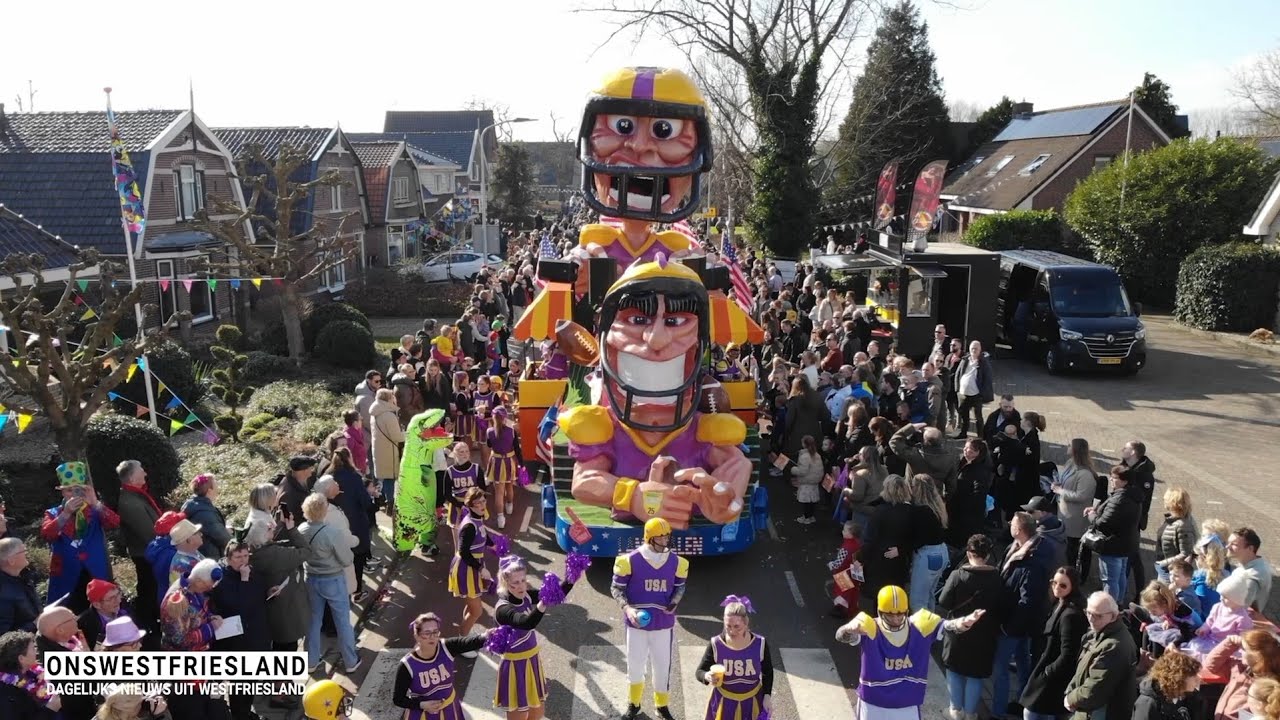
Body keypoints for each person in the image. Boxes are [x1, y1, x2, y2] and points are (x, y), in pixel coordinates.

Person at [836, 585, 983, 720]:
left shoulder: (921, 624)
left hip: (906, 704)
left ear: (906, 611)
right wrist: (848, 630)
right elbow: (840, 635)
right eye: (890, 615)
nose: (896, 619)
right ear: (880, 612)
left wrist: (964, 622)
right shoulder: (868, 626)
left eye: (900, 614)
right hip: (873, 704)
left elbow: (948, 626)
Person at [613, 518, 689, 720]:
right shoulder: (628, 561)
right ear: (649, 537)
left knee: (662, 667)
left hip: (663, 624)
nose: (665, 540)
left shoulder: (678, 562)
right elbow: (616, 588)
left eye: (667, 536)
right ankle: (634, 704)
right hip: (637, 624)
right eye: (661, 537)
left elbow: (680, 586)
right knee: (635, 666)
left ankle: (661, 705)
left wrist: (674, 602)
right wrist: (627, 609)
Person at [492, 555, 573, 720]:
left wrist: (571, 577)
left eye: (523, 580)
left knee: (537, 714)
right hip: (514, 666)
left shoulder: (526, 595)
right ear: (505, 583)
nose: (521, 586)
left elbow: (556, 594)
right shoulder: (503, 609)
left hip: (532, 661)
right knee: (519, 716)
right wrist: (543, 603)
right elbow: (525, 623)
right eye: (515, 583)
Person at [938, 534, 1006, 720]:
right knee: (975, 675)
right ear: (988, 554)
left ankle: (955, 710)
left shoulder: (958, 576)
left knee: (955, 671)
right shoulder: (997, 578)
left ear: (969, 553)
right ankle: (970, 713)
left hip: (959, 632)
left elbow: (943, 602)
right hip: (986, 634)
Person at [993, 512, 1052, 720]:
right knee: (1023, 662)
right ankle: (1022, 701)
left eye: (1013, 523)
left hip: (1015, 625)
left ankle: (998, 712)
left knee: (1000, 667)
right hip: (1022, 623)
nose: (1009, 524)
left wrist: (1008, 628)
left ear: (1019, 530)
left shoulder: (1031, 561)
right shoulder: (1019, 548)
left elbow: (1026, 601)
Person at [41, 461, 119, 606]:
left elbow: (114, 523)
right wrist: (65, 514)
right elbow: (47, 535)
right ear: (63, 492)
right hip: (66, 574)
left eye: (78, 490)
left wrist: (95, 502)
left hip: (95, 571)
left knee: (100, 609)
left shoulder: (94, 510)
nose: (73, 494)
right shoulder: (53, 513)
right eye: (69, 490)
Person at [299, 493, 361, 674]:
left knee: (313, 621)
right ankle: (350, 660)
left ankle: (311, 661)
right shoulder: (332, 532)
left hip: (310, 578)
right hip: (332, 579)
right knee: (342, 621)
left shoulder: (301, 530)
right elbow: (347, 559)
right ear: (324, 510)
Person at [209, 539, 270, 720]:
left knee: (250, 683)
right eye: (238, 557)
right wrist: (244, 581)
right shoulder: (222, 580)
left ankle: (245, 712)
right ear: (228, 558)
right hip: (237, 642)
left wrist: (270, 592)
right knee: (240, 684)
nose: (243, 560)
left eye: (245, 555)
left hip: (256, 636)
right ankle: (239, 715)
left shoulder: (252, 572)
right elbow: (238, 607)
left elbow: (257, 597)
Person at [393, 612, 490, 720]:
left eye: (435, 632)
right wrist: (421, 705)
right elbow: (398, 699)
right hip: (422, 714)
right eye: (427, 633)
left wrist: (487, 636)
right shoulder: (407, 665)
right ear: (417, 636)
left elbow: (470, 642)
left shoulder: (446, 647)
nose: (432, 637)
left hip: (450, 709)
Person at [1021, 566, 1088, 720]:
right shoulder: (1060, 603)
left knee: (1032, 712)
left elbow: (1068, 653)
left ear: (1073, 587)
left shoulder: (1070, 615)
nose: (1057, 587)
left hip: (1054, 677)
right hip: (1050, 671)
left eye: (1063, 585)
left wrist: (1047, 672)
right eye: (1054, 583)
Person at [695, 596, 774, 720]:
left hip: (752, 703)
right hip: (724, 703)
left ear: (746, 623)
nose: (732, 631)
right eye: (728, 626)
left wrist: (767, 697)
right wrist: (707, 676)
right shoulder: (716, 644)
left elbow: (767, 672)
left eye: (737, 626)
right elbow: (699, 672)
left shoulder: (760, 644)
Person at [1063, 592, 1138, 720]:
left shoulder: (1114, 646)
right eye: (1088, 613)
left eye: (1097, 616)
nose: (1091, 619)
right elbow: (1082, 671)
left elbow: (1095, 690)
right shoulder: (1099, 633)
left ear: (1113, 616)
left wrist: (1071, 698)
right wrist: (1070, 691)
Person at [114, 460, 162, 633]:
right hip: (145, 554)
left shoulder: (136, 496)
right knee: (148, 589)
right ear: (133, 477)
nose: (145, 473)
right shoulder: (130, 502)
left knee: (150, 588)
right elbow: (149, 533)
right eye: (142, 470)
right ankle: (146, 626)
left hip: (149, 552)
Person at [1085, 465, 1142, 603]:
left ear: (1125, 481)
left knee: (1110, 580)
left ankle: (1109, 608)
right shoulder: (1134, 495)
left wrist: (1092, 515)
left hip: (1113, 545)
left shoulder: (1119, 499)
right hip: (1126, 544)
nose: (1111, 479)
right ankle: (1119, 604)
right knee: (1121, 576)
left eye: (1115, 478)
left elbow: (1102, 523)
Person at [448, 488, 494, 643]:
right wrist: (481, 569)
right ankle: (462, 640)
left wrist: (493, 545)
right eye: (478, 503)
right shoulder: (468, 526)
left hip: (472, 566)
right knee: (477, 611)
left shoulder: (477, 518)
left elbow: (483, 533)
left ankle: (464, 632)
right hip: (466, 569)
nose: (482, 505)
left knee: (471, 607)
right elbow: (463, 552)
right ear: (470, 505)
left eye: (483, 501)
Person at [1204, 629, 1280, 720]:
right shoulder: (1240, 669)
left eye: (1244, 650)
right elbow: (1211, 665)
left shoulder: (1268, 686)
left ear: (1257, 658)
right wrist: (1229, 643)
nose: (1240, 652)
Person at [1052, 439, 1097, 582]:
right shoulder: (1070, 463)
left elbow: (1082, 495)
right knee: (1068, 548)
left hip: (1076, 517)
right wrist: (1059, 485)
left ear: (1076, 449)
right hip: (1065, 514)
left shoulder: (1085, 474)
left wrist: (1061, 491)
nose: (1067, 447)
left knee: (1076, 549)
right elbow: (1065, 481)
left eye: (1070, 445)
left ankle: (1078, 577)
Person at [0, 629, 59, 719]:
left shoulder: (33, 673)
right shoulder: (7, 693)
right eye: (33, 648)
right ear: (21, 658)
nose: (37, 651)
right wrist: (51, 708)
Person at [1132, 651, 1202, 720]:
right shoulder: (1148, 704)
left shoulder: (1190, 697)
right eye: (1193, 675)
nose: (1198, 679)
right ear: (1179, 677)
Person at [180, 473, 231, 560]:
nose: (218, 488)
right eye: (216, 485)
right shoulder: (204, 512)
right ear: (209, 490)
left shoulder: (195, 505)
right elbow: (222, 538)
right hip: (210, 558)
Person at [486, 406, 521, 530]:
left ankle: (501, 518)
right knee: (509, 486)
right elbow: (517, 449)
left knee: (498, 492)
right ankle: (509, 505)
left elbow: (489, 444)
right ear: (505, 417)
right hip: (508, 461)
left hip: (496, 462)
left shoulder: (489, 431)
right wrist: (521, 464)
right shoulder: (512, 431)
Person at [1154, 488, 1197, 584]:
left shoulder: (1183, 525)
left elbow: (1186, 553)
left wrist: (1164, 563)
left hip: (1169, 571)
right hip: (1164, 568)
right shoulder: (1172, 518)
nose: (1163, 500)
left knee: (1165, 597)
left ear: (1173, 503)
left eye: (1166, 499)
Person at [1226, 527, 1273, 613]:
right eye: (1228, 543)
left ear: (1250, 549)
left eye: (1234, 544)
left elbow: (1239, 610)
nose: (1227, 546)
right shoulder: (1256, 563)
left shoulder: (1251, 577)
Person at [953, 341, 994, 440]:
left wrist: (983, 394)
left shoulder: (983, 363)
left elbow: (987, 379)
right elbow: (958, 374)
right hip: (963, 393)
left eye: (976, 349)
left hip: (976, 394)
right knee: (963, 415)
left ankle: (981, 436)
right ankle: (963, 433)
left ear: (980, 350)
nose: (974, 350)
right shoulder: (965, 360)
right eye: (972, 348)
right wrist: (957, 389)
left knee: (978, 417)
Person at [0, 539, 40, 634]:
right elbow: (4, 636)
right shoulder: (3, 592)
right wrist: (35, 624)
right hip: (26, 646)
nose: (27, 553)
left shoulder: (23, 577)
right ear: (11, 560)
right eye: (23, 551)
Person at [827, 520, 864, 618]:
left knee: (842, 593)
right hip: (854, 571)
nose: (843, 531)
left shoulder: (846, 548)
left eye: (845, 530)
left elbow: (839, 562)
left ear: (851, 534)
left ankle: (842, 611)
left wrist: (831, 564)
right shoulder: (857, 544)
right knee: (852, 593)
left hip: (844, 574)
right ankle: (852, 609)